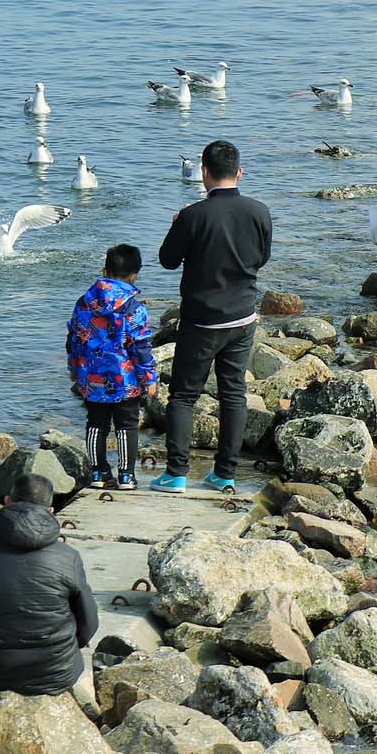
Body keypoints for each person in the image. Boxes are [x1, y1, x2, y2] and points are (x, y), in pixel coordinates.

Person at [152, 138, 272, 494]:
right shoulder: (259, 211)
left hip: (202, 319)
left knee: (184, 395)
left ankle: (176, 473)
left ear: (204, 173)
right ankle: (225, 473)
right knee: (233, 393)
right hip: (243, 317)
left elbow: (167, 260)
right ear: (239, 172)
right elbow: (261, 259)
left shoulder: (193, 215)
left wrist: (179, 223)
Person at [0, 475, 97, 702]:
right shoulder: (68, 557)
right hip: (55, 671)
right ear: (50, 510)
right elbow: (89, 624)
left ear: (8, 501)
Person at [66, 243, 158, 490]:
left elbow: (74, 338)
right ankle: (126, 475)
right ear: (134, 275)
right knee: (126, 425)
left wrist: (74, 368)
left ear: (104, 270)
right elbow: (139, 348)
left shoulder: (84, 303)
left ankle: (98, 474)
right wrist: (149, 378)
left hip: (91, 377)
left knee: (96, 423)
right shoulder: (133, 308)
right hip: (125, 380)